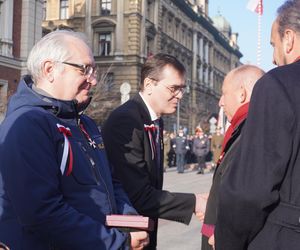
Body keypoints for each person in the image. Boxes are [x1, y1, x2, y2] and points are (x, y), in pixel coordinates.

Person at [0, 30, 149, 250]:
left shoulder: (85, 123)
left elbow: (111, 183)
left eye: (94, 70)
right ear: (50, 70)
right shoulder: (27, 124)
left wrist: (129, 221)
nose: (94, 80)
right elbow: (42, 213)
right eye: (85, 69)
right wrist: (118, 242)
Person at [214, 1, 300, 249]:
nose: (273, 58)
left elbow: (249, 191)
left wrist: (226, 241)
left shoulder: (278, 85)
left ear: (289, 39)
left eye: (273, 45)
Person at [102, 53, 205, 249]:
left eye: (182, 89)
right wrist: (194, 203)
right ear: (149, 84)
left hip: (145, 230)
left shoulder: (154, 119)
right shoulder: (126, 121)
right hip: (127, 235)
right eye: (174, 88)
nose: (180, 96)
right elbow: (136, 194)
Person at [200, 65, 265, 250]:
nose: (220, 102)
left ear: (241, 94)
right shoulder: (245, 127)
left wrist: (226, 238)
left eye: (224, 93)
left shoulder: (252, 132)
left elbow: (250, 197)